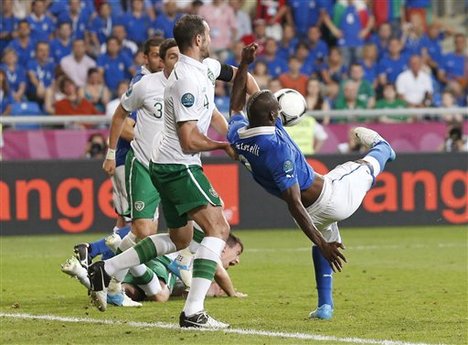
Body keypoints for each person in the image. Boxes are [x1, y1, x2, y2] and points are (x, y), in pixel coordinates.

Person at [88, 15, 259, 329]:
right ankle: (193, 312)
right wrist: (223, 146)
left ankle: (107, 268)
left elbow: (240, 77)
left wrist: (261, 102)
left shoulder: (205, 67)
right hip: (177, 163)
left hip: (167, 164)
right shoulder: (185, 81)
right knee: (219, 229)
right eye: (207, 35)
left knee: (181, 239)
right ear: (197, 40)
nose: (210, 39)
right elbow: (188, 138)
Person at [227, 43, 396, 320]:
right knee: (364, 164)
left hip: (309, 214)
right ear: (273, 116)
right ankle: (384, 147)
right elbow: (294, 202)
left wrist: (244, 64)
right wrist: (321, 243)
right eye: (277, 111)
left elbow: (235, 102)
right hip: (330, 197)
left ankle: (325, 306)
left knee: (326, 236)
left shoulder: (237, 133)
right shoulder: (276, 148)